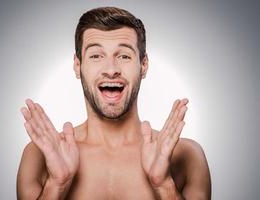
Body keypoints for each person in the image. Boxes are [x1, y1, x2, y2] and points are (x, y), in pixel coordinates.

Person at [17, 6, 211, 200]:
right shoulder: (39, 155)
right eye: (96, 56)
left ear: (144, 65)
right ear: (78, 65)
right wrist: (57, 185)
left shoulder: (186, 156)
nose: (111, 69)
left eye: (124, 56)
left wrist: (163, 185)